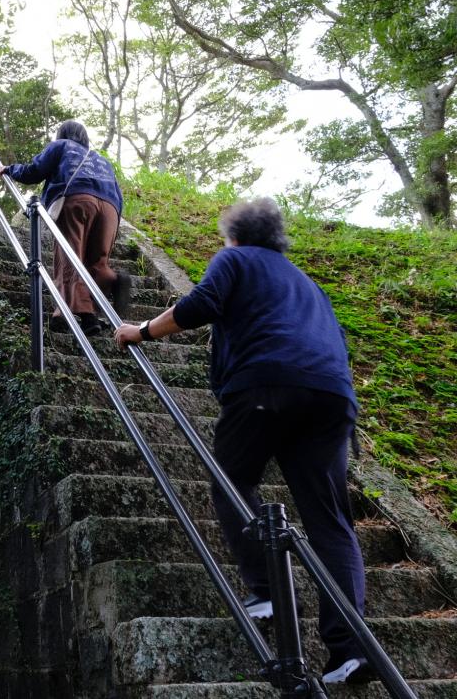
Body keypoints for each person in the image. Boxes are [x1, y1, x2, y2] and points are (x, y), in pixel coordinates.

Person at [111, 197, 373, 686]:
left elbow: (200, 305)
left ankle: (267, 588)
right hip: (331, 397)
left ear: (234, 236)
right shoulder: (307, 284)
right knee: (331, 522)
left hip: (266, 385)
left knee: (231, 480)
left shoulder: (234, 258)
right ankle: (351, 650)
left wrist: (140, 330)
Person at [0, 120, 131, 335]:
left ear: (62, 134)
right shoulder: (101, 159)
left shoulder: (61, 146)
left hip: (77, 199)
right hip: (110, 209)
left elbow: (34, 171)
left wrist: (9, 170)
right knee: (98, 262)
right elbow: (118, 193)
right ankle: (111, 282)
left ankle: (78, 315)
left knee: (69, 256)